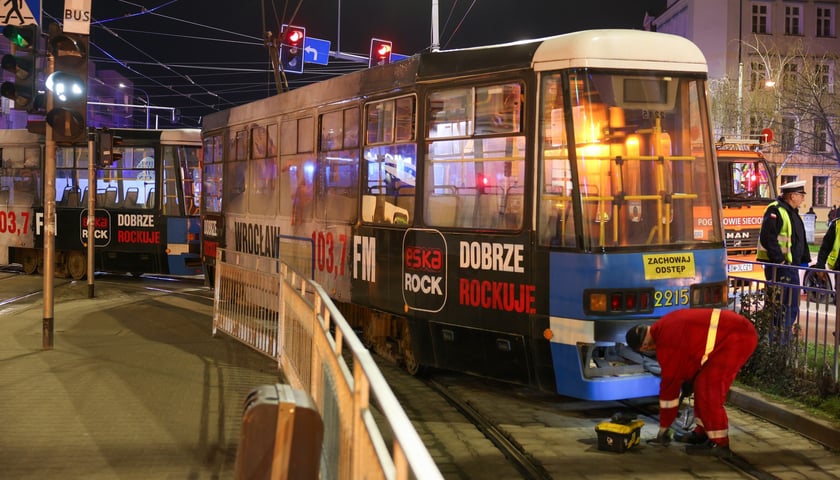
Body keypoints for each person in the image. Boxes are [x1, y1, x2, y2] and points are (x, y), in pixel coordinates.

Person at [625, 308, 758, 458]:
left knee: (709, 390)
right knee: (701, 385)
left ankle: (720, 444)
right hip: (734, 333)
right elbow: (692, 353)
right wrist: (690, 379)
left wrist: (664, 427)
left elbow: (670, 391)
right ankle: (703, 432)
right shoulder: (663, 325)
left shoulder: (666, 344)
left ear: (644, 347)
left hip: (737, 338)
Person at [756, 180, 811, 339]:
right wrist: (779, 261)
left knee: (789, 306)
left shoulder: (791, 212)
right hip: (780, 268)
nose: (802, 198)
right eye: (801, 195)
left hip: (789, 267)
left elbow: (799, 239)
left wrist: (803, 260)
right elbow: (769, 238)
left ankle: (780, 343)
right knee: (783, 307)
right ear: (792, 196)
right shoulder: (776, 210)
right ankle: (778, 344)